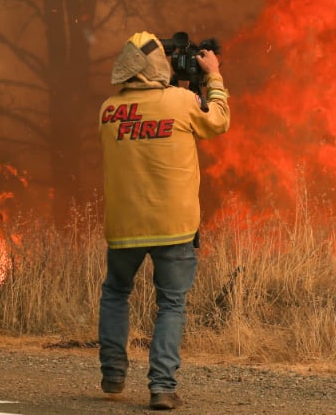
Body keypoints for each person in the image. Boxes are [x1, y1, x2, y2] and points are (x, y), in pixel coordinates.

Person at [97, 31, 230, 411]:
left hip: (124, 226)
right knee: (170, 305)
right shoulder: (182, 102)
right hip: (174, 225)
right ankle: (161, 388)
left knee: (116, 292)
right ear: (160, 65)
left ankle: (113, 374)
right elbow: (218, 120)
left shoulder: (107, 110)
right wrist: (213, 76)